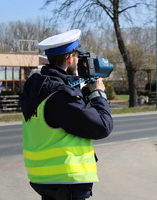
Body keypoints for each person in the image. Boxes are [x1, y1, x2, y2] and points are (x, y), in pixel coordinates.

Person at [19, 29, 114, 200]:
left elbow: (70, 112)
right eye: (78, 58)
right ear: (70, 58)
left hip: (49, 180)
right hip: (67, 182)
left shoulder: (40, 89)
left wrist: (85, 91)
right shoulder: (59, 96)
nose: (79, 63)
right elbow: (102, 126)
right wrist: (99, 94)